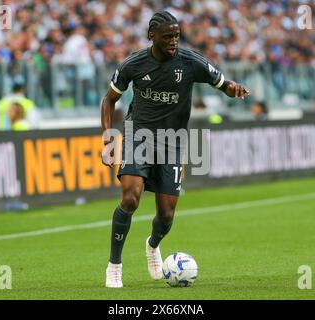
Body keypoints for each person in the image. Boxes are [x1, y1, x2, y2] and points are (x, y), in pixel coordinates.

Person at [100, 11, 250, 288]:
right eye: (167, 36)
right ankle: (114, 265)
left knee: (167, 215)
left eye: (176, 36)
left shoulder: (190, 62)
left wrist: (234, 89)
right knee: (131, 198)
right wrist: (109, 139)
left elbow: (222, 84)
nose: (173, 41)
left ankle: (153, 244)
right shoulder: (134, 64)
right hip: (139, 136)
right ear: (151, 36)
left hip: (173, 141)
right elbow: (109, 100)